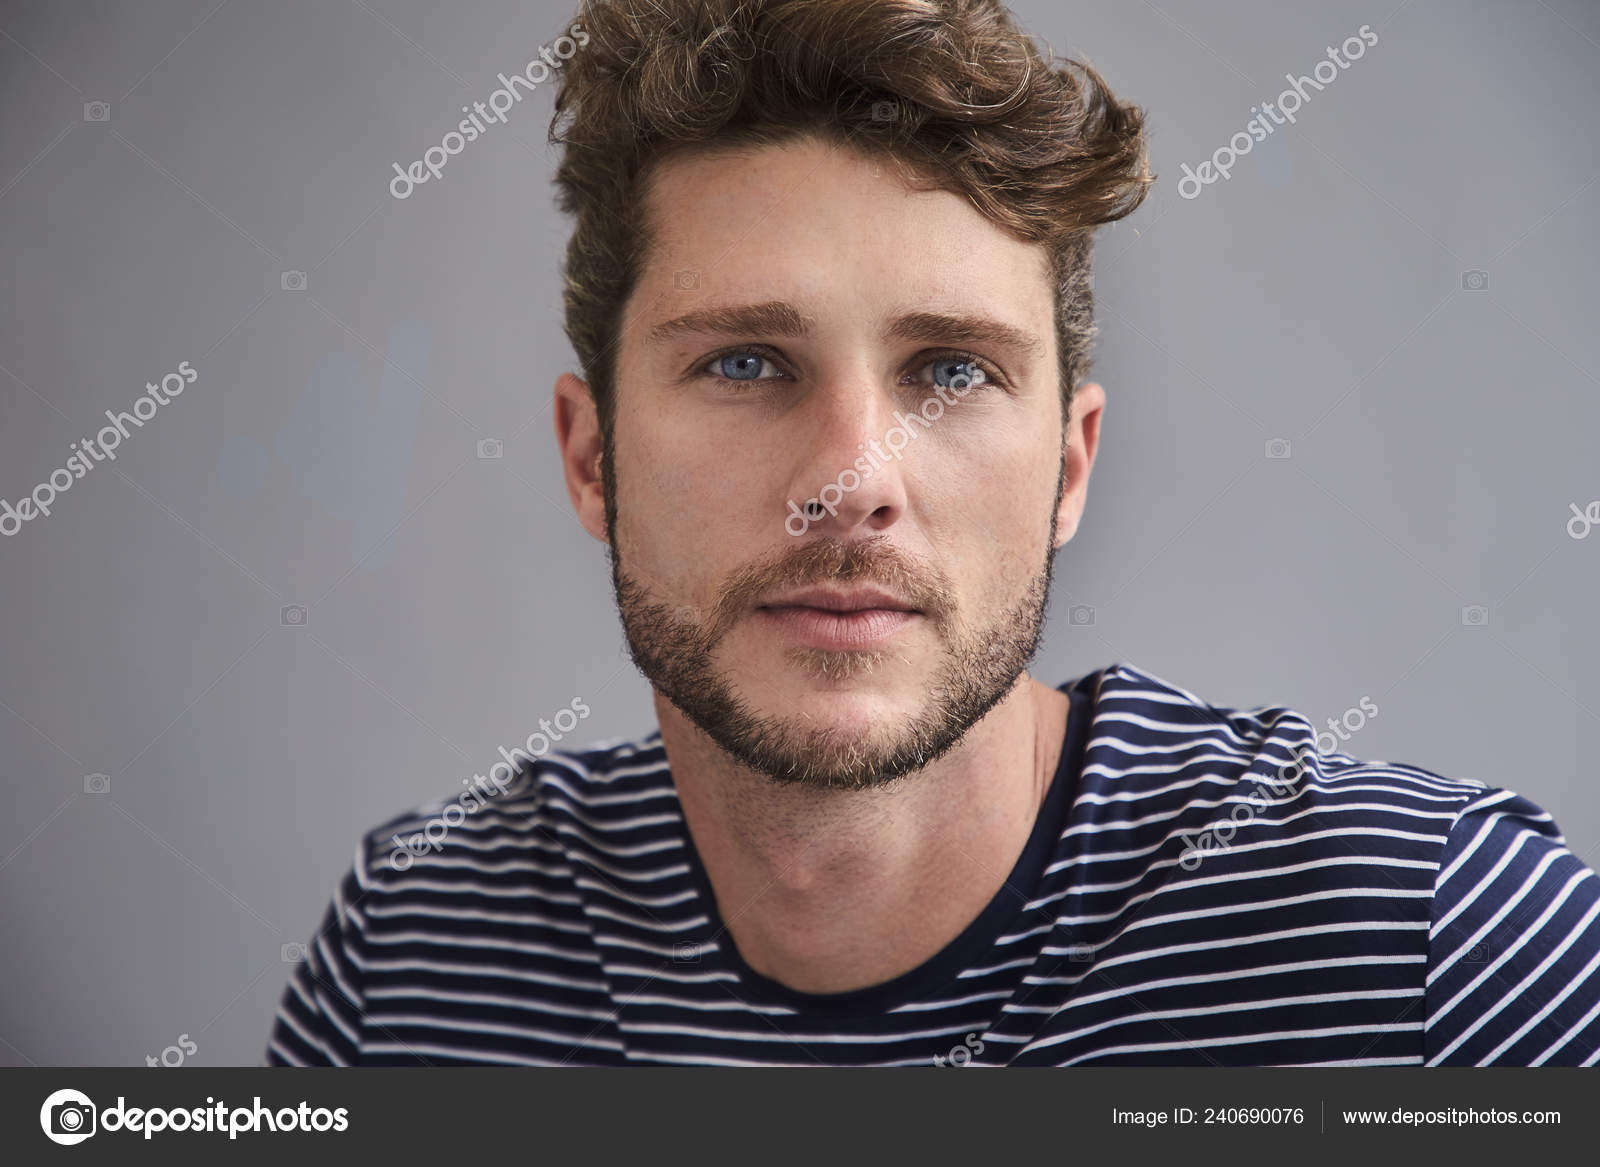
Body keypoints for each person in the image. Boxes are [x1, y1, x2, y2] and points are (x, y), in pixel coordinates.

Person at [266, 0, 1600, 1066]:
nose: (851, 480)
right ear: (591, 455)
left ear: (1069, 470)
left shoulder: (1436, 952)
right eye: (743, 363)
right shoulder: (412, 959)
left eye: (952, 371)